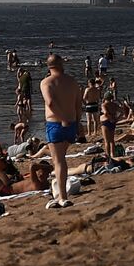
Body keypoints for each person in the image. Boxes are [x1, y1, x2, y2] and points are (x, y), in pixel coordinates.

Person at [40, 53, 84, 209]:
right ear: (61, 65)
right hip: (71, 123)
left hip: (56, 123)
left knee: (58, 162)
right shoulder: (72, 82)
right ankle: (59, 193)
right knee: (61, 159)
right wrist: (78, 122)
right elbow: (78, 104)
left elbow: (50, 102)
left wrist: (62, 118)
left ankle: (62, 197)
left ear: (49, 66)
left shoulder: (46, 82)